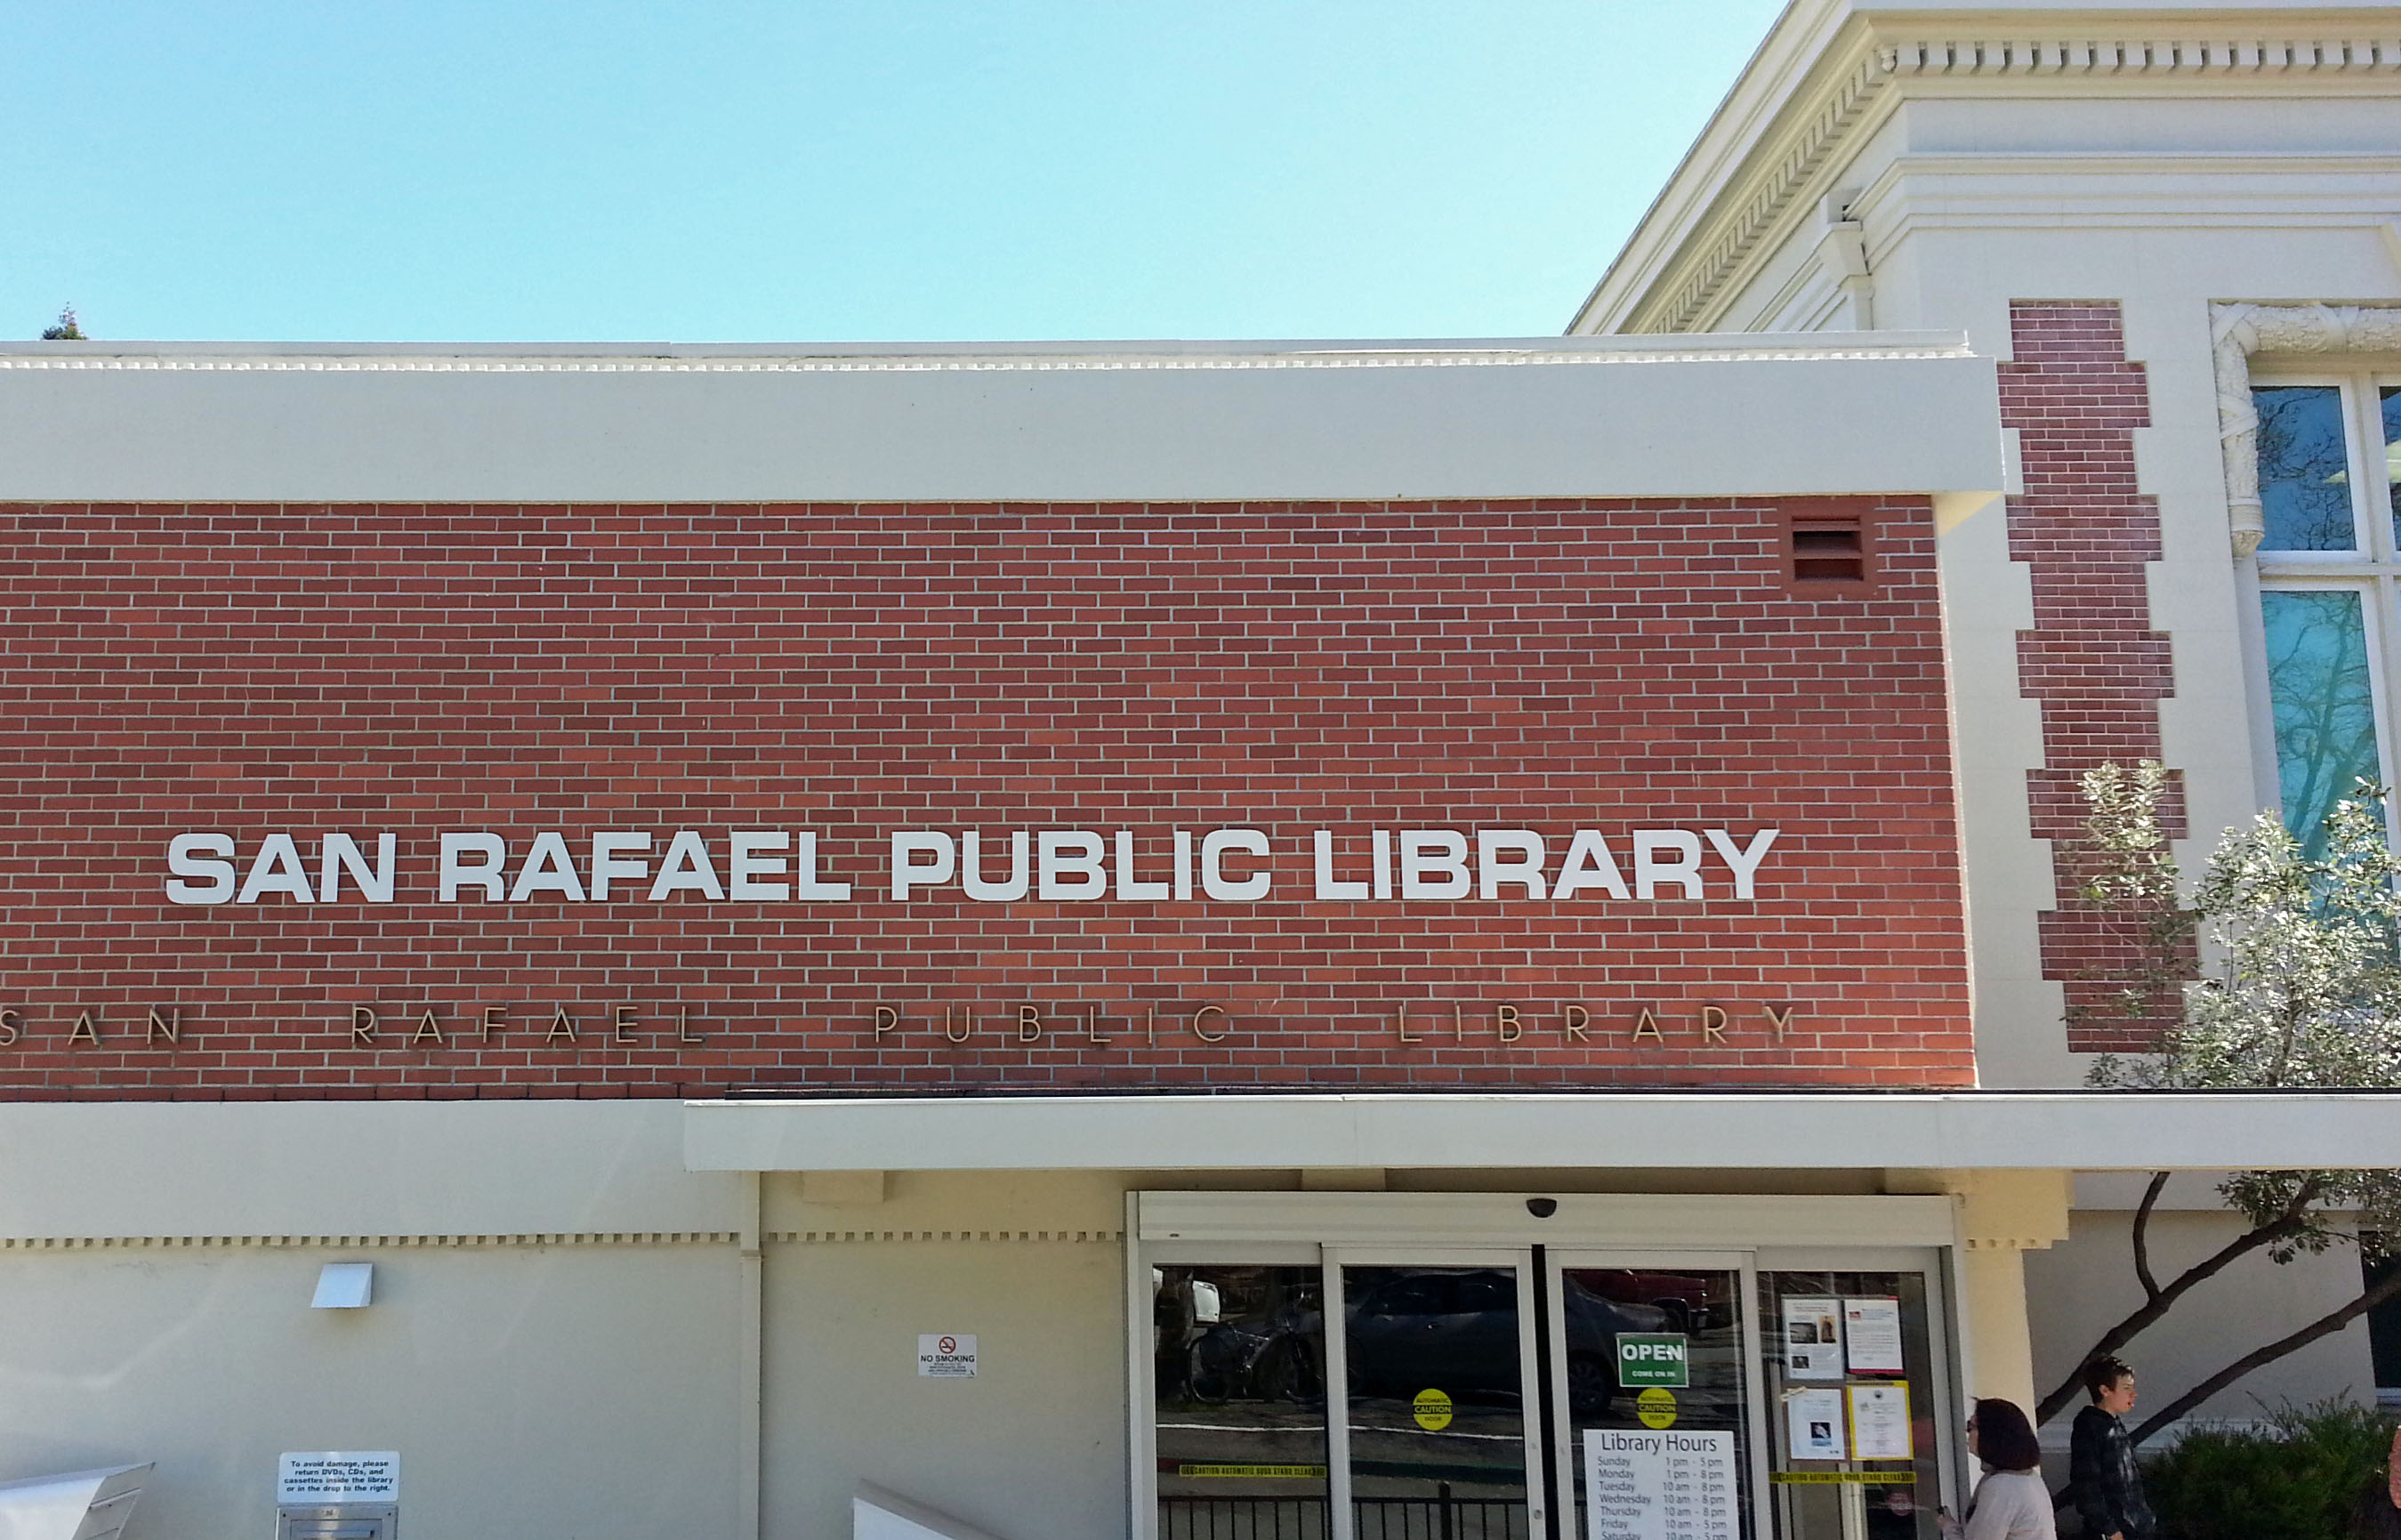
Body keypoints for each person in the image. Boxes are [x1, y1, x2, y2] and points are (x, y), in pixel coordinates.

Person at [1939, 1399, 2056, 1540]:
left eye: (1971, 1427)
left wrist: (1948, 1528)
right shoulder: (2027, 1477)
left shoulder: (2002, 1487)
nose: (1967, 1433)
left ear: (1991, 1435)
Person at [2068, 1356, 2154, 1540]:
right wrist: (2110, 1529)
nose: (2133, 1394)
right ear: (2105, 1390)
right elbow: (2086, 1484)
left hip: (2134, 1526)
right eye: (2126, 1388)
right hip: (2113, 1531)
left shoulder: (2114, 1424)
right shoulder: (2089, 1427)